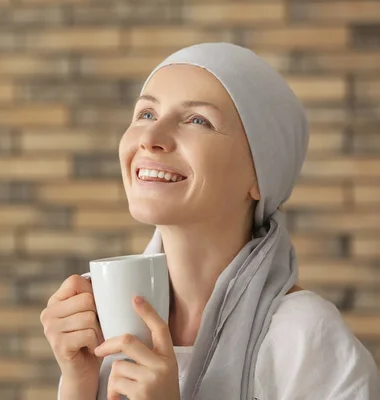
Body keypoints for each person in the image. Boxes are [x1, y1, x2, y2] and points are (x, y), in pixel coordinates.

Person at [39, 43, 380, 400]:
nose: (151, 139)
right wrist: (79, 382)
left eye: (198, 120)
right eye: (146, 114)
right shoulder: (104, 318)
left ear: (261, 176)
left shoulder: (306, 337)